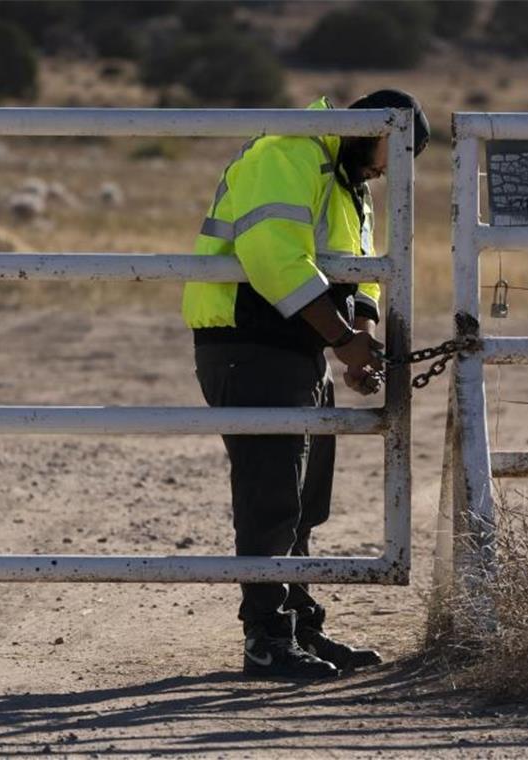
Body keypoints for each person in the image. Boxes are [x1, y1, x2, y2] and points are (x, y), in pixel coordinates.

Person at [182, 90, 430, 679]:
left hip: (296, 348)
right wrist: (345, 340)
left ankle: (298, 626)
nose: (382, 172)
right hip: (251, 343)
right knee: (271, 497)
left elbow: (362, 265)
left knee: (301, 501)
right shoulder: (289, 152)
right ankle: (266, 641)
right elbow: (273, 257)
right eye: (386, 157)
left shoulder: (345, 178)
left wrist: (357, 335)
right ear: (369, 129)